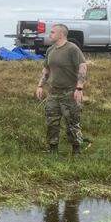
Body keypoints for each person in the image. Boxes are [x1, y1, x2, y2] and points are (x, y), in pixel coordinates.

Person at [35, 23, 92, 155]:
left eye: (52, 32)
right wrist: (40, 85)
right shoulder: (50, 50)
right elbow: (46, 69)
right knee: (52, 123)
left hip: (70, 93)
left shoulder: (72, 49)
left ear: (61, 34)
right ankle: (52, 149)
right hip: (53, 93)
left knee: (72, 123)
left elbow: (82, 67)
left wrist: (79, 88)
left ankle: (76, 150)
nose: (50, 34)